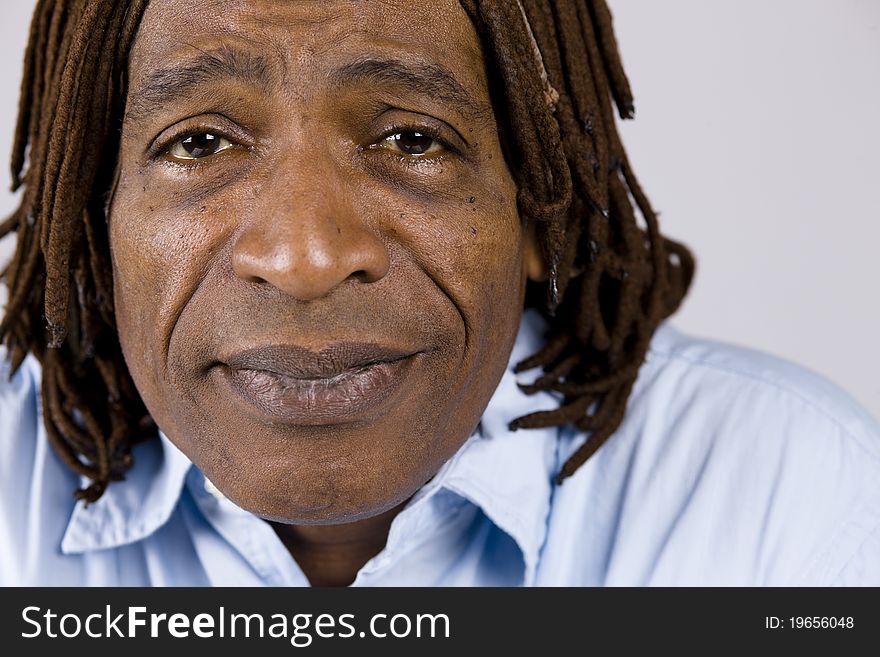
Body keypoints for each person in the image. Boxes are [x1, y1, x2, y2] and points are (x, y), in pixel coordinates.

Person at [1, 0, 877, 587]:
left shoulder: (795, 495)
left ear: (538, 206)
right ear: (95, 217)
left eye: (412, 138)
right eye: (199, 143)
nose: (305, 256)